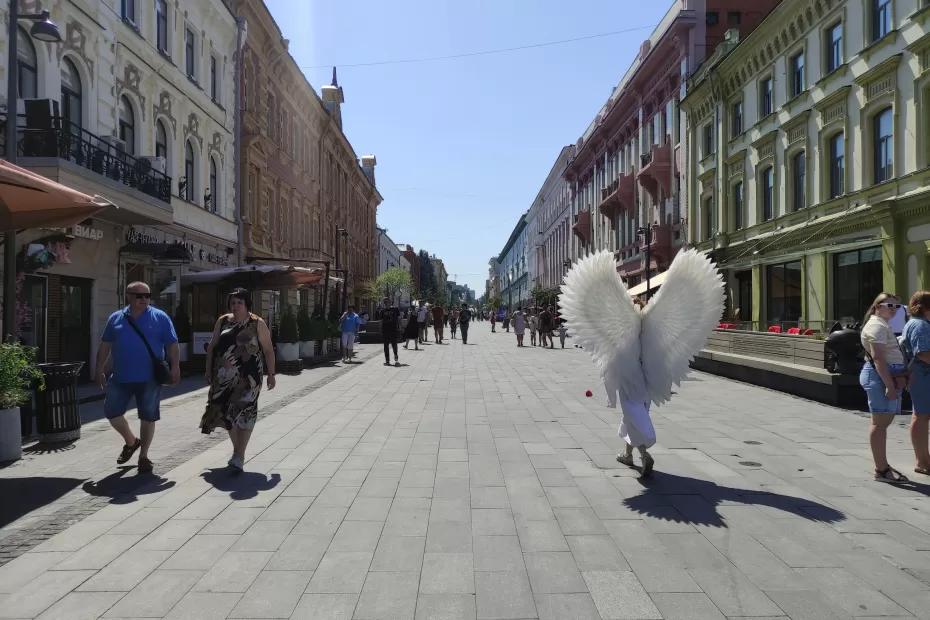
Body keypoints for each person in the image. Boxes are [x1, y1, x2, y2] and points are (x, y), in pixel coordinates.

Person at [95, 282, 180, 474]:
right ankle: (131, 442)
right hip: (120, 377)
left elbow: (172, 344)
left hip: (149, 378)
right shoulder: (116, 318)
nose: (144, 299)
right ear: (128, 296)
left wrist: (175, 367)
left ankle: (144, 457)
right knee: (111, 412)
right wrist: (99, 368)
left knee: (148, 416)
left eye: (148, 296)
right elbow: (105, 345)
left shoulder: (160, 317)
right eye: (139, 296)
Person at [860, 293, 909, 483]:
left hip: (885, 377)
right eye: (889, 305)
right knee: (879, 424)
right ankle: (881, 469)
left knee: (882, 424)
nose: (894, 309)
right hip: (880, 378)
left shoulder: (882, 324)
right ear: (877, 306)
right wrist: (889, 385)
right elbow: (878, 358)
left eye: (897, 307)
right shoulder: (876, 326)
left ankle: (882, 466)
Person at [902, 291, 930, 477]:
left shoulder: (913, 323)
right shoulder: (921, 325)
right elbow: (923, 353)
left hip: (919, 375)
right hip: (923, 375)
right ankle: (923, 461)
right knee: (921, 415)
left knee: (919, 415)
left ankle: (923, 459)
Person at [381, 297, 401, 366]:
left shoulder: (395, 309)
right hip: (385, 330)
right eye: (385, 302)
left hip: (393, 329)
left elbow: (399, 318)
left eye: (388, 301)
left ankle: (396, 357)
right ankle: (387, 360)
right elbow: (381, 321)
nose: (387, 303)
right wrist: (381, 330)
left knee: (394, 344)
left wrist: (399, 327)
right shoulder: (382, 311)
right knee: (386, 346)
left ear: (390, 302)